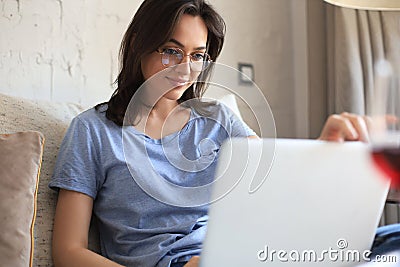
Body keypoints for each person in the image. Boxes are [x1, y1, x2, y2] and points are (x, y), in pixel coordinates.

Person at [49, 0, 371, 266]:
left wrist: (324, 149)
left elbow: (281, 183)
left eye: (197, 56)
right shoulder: (92, 131)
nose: (185, 69)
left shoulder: (218, 119)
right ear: (138, 45)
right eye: (171, 51)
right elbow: (68, 251)